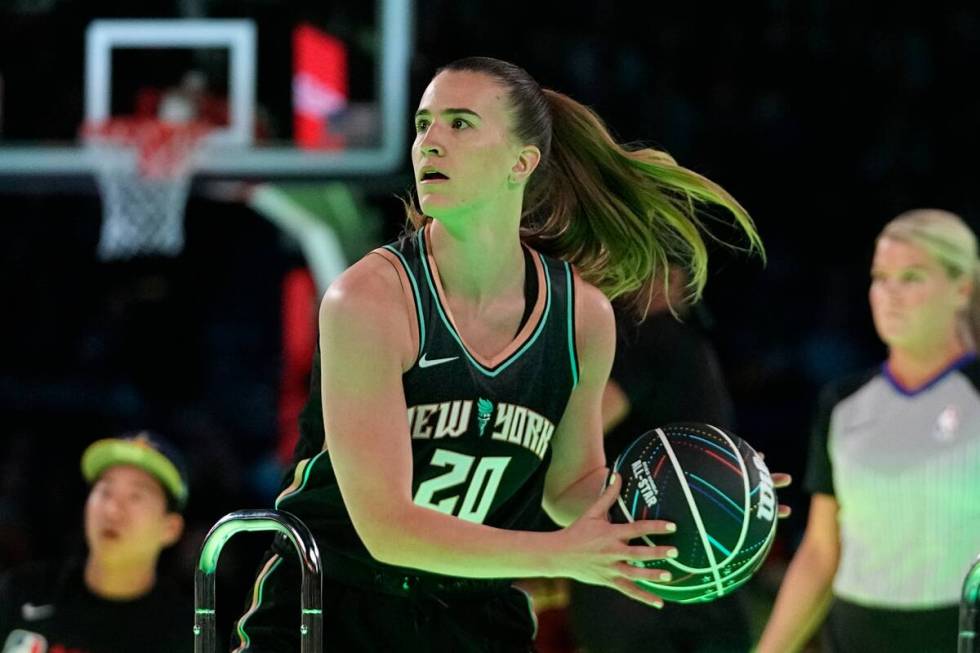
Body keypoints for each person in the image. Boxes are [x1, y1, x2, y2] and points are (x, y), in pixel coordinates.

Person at [233, 56, 784, 652]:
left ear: (522, 163)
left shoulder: (582, 317)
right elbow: (385, 529)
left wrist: (706, 499)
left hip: (475, 612)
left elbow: (572, 484)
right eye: (423, 124)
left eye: (460, 124)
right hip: (331, 610)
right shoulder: (368, 300)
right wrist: (560, 554)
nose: (430, 143)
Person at [756, 208, 980, 652]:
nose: (890, 294)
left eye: (912, 277)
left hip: (957, 633)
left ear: (962, 288)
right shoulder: (842, 404)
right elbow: (822, 551)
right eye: (881, 277)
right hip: (855, 634)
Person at [567, 266, 753, 652]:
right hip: (707, 578)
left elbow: (578, 430)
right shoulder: (695, 347)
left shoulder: (653, 337)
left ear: (674, 279)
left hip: (641, 583)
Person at [0, 431, 191, 653]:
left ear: (170, 528)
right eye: (105, 491)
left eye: (136, 497)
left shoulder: (185, 634)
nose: (112, 510)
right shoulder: (20, 592)